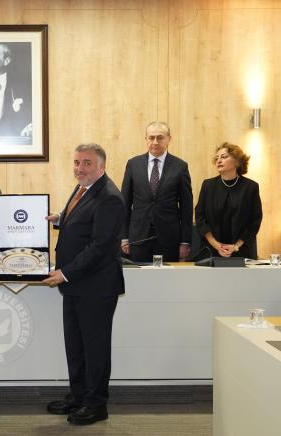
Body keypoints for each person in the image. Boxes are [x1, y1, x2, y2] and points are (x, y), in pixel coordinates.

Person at [43, 143, 125, 426]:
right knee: (76, 346)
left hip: (96, 288)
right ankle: (78, 396)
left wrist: (64, 273)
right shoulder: (84, 188)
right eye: (77, 162)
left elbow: (100, 246)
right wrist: (60, 219)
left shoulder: (109, 197)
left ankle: (96, 404)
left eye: (87, 163)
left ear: (101, 166)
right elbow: (84, 223)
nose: (80, 168)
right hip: (76, 285)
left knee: (95, 349)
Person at [120, 121, 193, 262]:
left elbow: (186, 207)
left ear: (169, 139)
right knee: (139, 275)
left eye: (160, 138)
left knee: (167, 276)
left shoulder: (180, 166)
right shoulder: (133, 164)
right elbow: (125, 203)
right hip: (138, 237)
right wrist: (124, 237)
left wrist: (185, 241)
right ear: (146, 139)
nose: (155, 142)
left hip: (169, 239)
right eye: (151, 137)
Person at [195, 142, 262, 259]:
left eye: (224, 157)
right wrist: (216, 245)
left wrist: (236, 246)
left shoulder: (250, 187)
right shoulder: (208, 185)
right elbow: (200, 217)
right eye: (217, 158)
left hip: (241, 250)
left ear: (237, 161)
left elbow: (254, 221)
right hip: (211, 250)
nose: (219, 161)